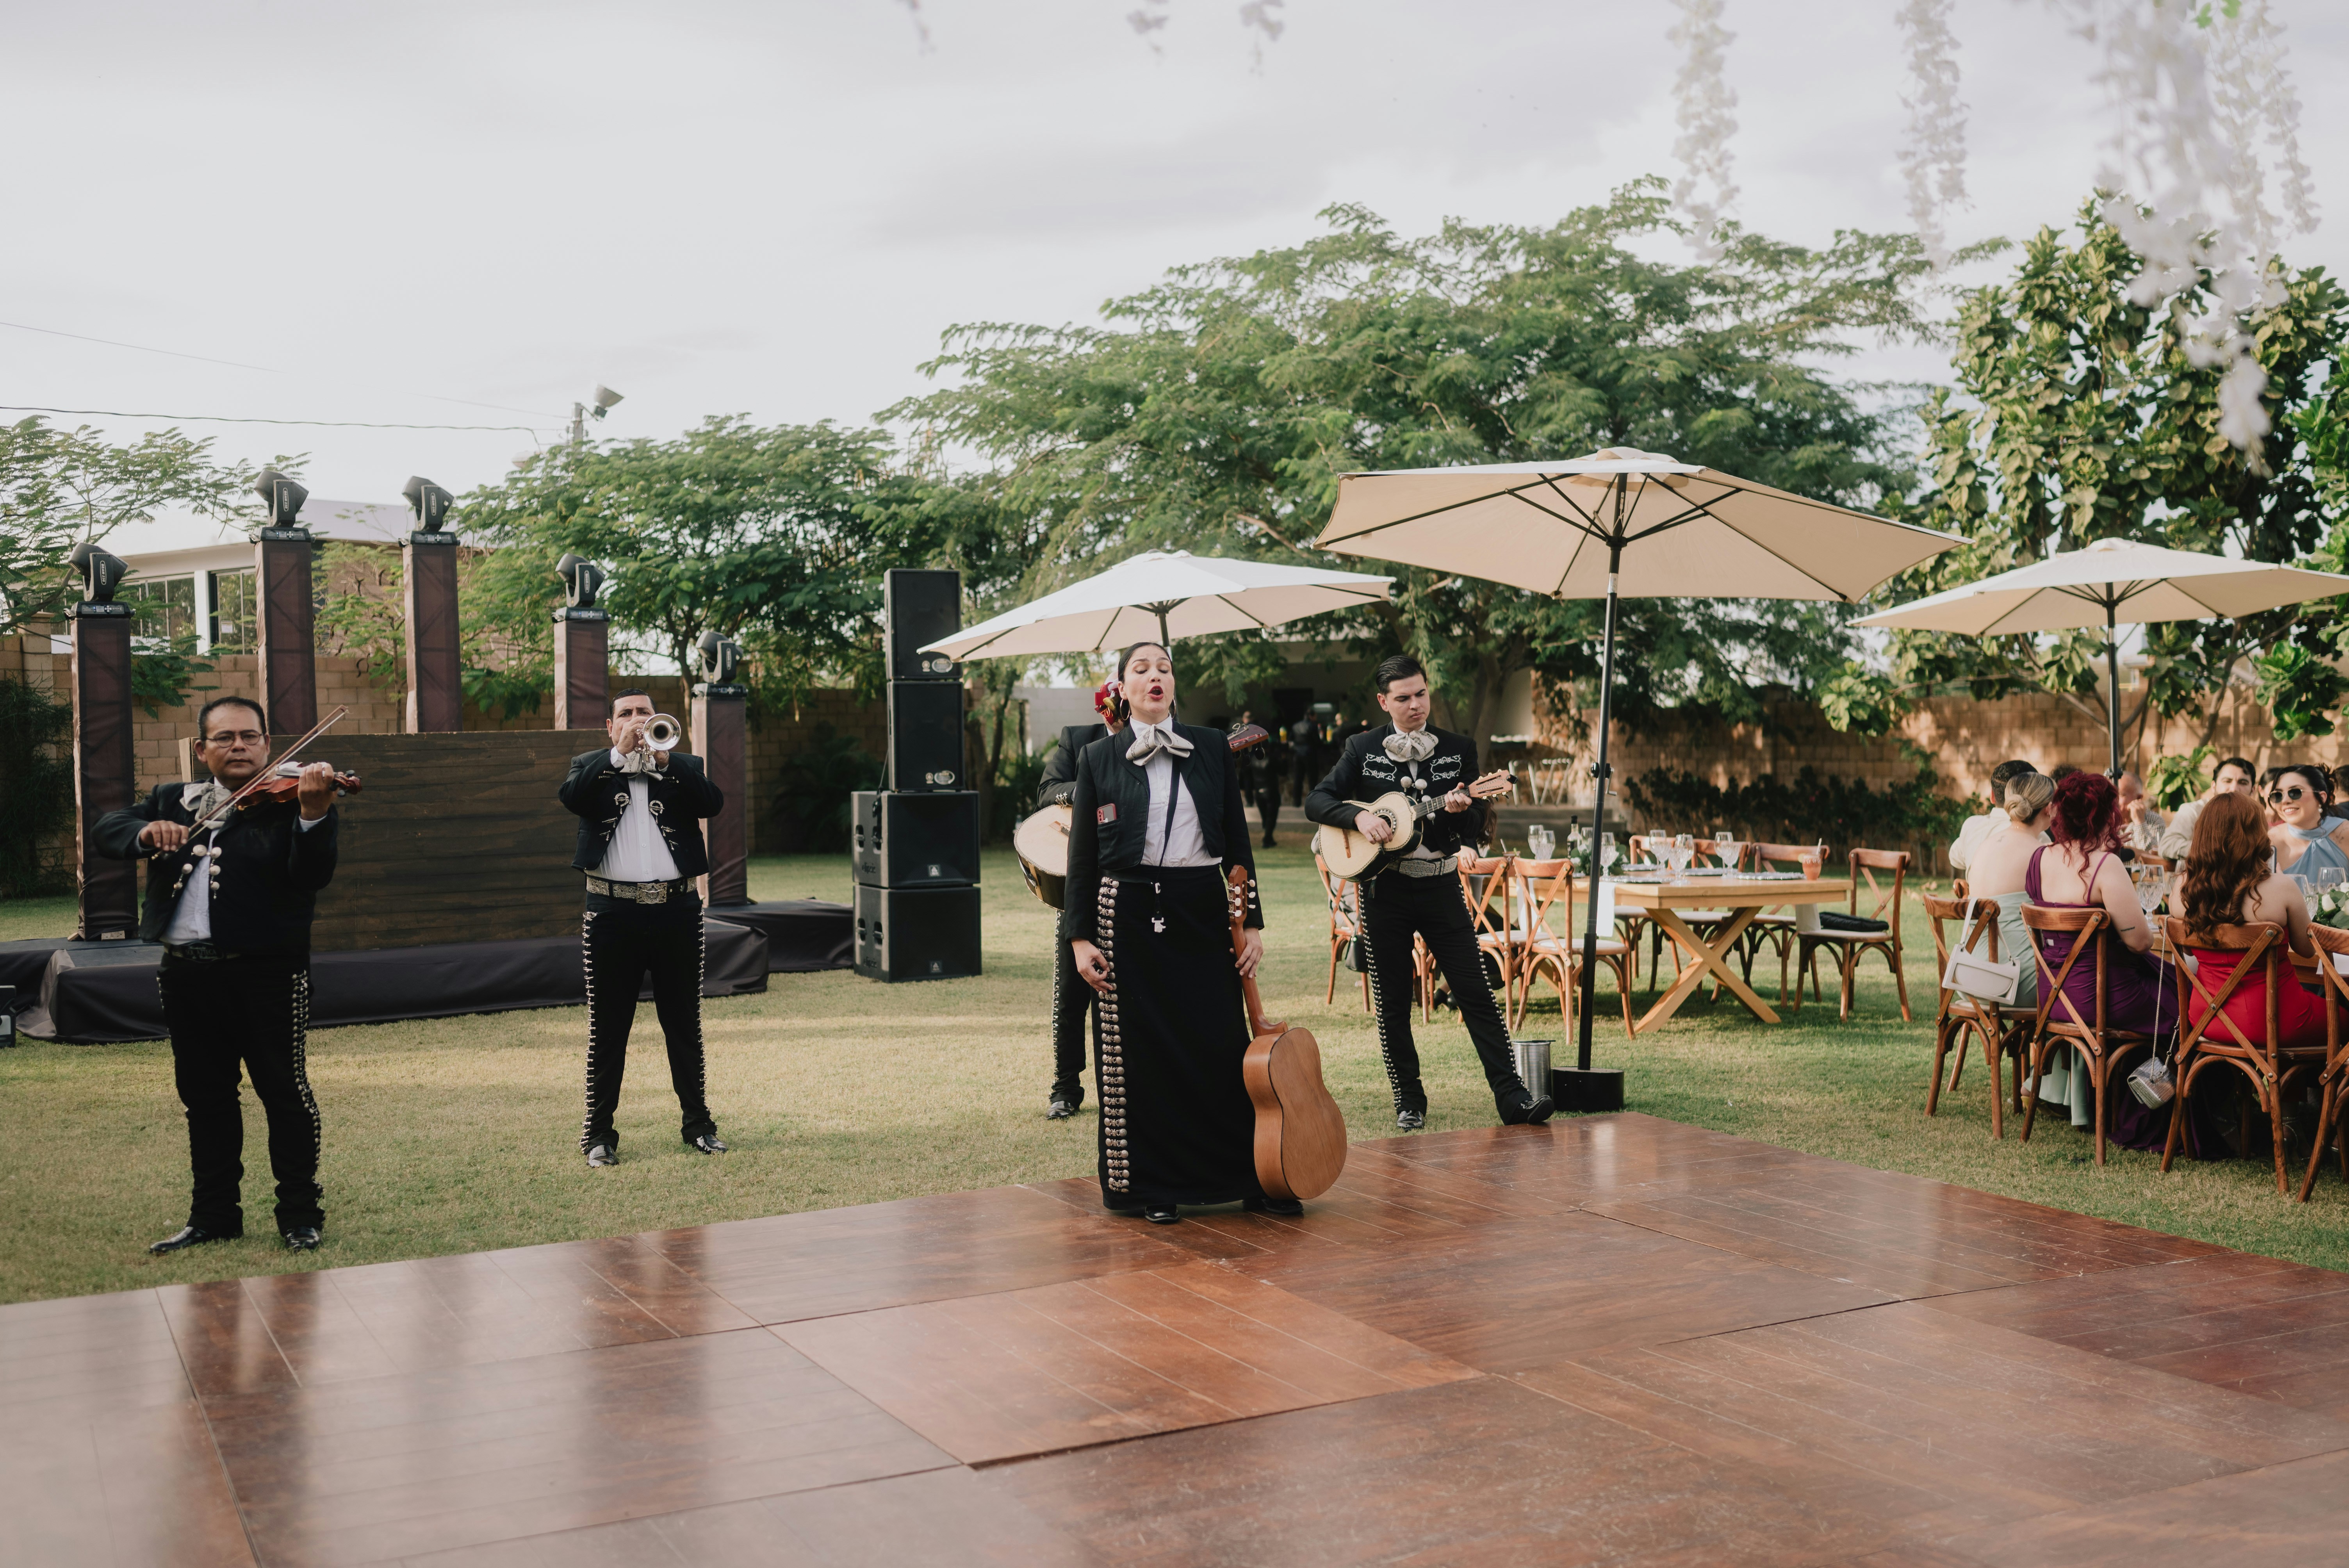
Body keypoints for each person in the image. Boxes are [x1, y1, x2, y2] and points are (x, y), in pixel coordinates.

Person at [92, 696, 341, 1254]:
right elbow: (111, 829)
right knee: (205, 1098)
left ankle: (300, 1214)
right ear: (202, 749)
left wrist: (314, 815)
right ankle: (214, 1216)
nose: (239, 747)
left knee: (285, 1092)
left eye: (250, 737)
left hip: (268, 975)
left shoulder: (297, 799)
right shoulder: (172, 800)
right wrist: (149, 831)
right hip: (186, 976)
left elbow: (312, 875)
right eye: (225, 738)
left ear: (267, 746)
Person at [1063, 641, 1291, 1225]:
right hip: (1127, 914)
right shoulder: (1099, 757)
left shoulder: (1213, 747)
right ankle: (1153, 1187)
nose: (1155, 677)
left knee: (1221, 1042)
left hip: (1203, 909)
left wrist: (1254, 924)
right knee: (1143, 1055)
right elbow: (1083, 858)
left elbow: (1237, 842)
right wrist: (1080, 939)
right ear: (1122, 688)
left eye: (1164, 668)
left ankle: (1245, 1175)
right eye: (1141, 670)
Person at [1305, 653, 1553, 1131]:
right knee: (1393, 999)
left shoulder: (1459, 749)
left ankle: (1513, 1097)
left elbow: (1477, 825)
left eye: (1421, 693)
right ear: (1384, 701)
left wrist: (1460, 810)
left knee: (1475, 990)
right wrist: (1359, 817)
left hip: (1440, 884)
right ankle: (1410, 1101)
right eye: (1403, 698)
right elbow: (1319, 799)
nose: (1416, 704)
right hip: (1383, 890)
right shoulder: (1361, 747)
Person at [559, 689, 727, 1169]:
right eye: (626, 714)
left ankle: (699, 1126)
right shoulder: (589, 765)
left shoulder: (681, 764)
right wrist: (618, 757)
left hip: (677, 911)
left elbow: (711, 803)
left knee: (684, 1024)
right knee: (608, 1029)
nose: (637, 720)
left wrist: (665, 759)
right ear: (610, 727)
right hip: (611, 915)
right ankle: (598, 1134)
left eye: (645, 713)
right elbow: (572, 798)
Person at [2022, 773, 2178, 1142]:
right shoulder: (2106, 866)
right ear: (2108, 815)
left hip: (2054, 997)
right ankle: (2145, 1114)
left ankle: (2120, 1105)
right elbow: (2140, 943)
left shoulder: (2039, 858)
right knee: (2182, 1007)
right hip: (2102, 998)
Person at [1034, 676, 1123, 1120]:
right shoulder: (1078, 740)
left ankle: (1125, 1085)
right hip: (1080, 879)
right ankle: (1065, 1087)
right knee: (1070, 994)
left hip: (1131, 880)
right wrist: (1086, 790)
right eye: (1109, 706)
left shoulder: (1155, 742)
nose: (1114, 713)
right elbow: (1047, 791)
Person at [2177, 791, 2327, 1054]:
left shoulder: (2183, 887)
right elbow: (2307, 950)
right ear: (2256, 834)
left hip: (2206, 1020)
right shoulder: (2281, 887)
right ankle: (2319, 1092)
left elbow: (2189, 950)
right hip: (2279, 1020)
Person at [1954, 769, 2054, 1013]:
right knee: (2085, 985)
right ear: (2050, 809)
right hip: (2015, 983)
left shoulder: (1985, 847)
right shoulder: (2042, 853)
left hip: (1970, 976)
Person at [2157, 756, 2256, 862]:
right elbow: (2167, 846)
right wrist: (2212, 851)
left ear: (2253, 790)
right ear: (2214, 786)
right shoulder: (2194, 811)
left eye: (2243, 783)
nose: (2234, 788)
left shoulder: (2255, 818)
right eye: (2227, 781)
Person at [1948, 759, 2037, 874]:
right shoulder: (2035, 834)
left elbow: (1955, 859)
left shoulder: (1972, 825)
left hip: (1975, 892)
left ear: (1992, 796)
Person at [2265, 763, 2349, 883]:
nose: (2285, 801)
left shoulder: (2344, 833)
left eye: (2295, 792)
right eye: (2278, 795)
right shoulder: (2271, 841)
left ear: (2322, 797)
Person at [1236, 709, 1285, 848]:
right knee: (1271, 818)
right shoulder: (1272, 760)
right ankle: (1267, 839)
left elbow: (1248, 779)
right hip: (1271, 791)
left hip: (1259, 793)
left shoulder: (1253, 762)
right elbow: (1283, 772)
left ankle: (1268, 838)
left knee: (1266, 818)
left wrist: (1250, 793)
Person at [2116, 771, 2167, 859]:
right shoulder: (2104, 820)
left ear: (2139, 798)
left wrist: (2140, 823)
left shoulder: (2155, 821)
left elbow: (2153, 859)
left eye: (2120, 795)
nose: (2114, 800)